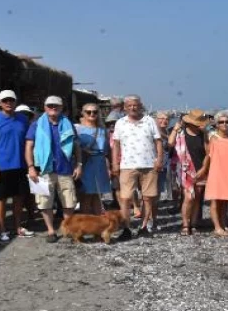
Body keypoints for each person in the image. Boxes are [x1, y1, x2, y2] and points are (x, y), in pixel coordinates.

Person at [25, 95, 83, 243]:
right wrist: (31, 167)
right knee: (44, 202)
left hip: (65, 168)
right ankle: (51, 231)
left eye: (56, 105)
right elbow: (29, 147)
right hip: (43, 169)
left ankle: (68, 229)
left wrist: (79, 164)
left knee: (69, 202)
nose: (53, 108)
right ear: (44, 107)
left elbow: (76, 145)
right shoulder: (37, 124)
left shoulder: (68, 124)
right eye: (50, 105)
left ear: (62, 107)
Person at [0, 90, 33, 241]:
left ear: (15, 102)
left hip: (20, 166)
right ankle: (2, 229)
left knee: (19, 198)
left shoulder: (23, 119)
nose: (8, 103)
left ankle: (18, 227)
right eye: (5, 100)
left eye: (11, 100)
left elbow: (28, 142)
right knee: (1, 200)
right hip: (2, 167)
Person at [112, 95, 163, 239]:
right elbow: (116, 144)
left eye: (135, 105)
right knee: (125, 197)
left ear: (140, 105)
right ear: (124, 107)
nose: (132, 108)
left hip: (149, 165)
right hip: (127, 166)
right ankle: (126, 227)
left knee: (148, 198)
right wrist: (114, 162)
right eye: (129, 105)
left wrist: (159, 159)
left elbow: (158, 141)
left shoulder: (149, 121)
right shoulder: (120, 123)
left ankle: (144, 226)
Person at [169, 109, 210, 235]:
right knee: (188, 198)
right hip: (184, 170)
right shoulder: (180, 133)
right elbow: (170, 144)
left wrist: (204, 168)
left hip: (200, 169)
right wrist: (175, 129)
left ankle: (193, 223)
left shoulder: (203, 134)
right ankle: (185, 224)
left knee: (197, 198)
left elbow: (208, 152)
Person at [75, 103, 112, 215]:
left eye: (95, 112)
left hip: (99, 164)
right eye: (88, 112)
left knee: (97, 195)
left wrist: (109, 167)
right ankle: (86, 223)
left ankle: (97, 225)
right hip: (85, 163)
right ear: (83, 113)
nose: (92, 114)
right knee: (86, 195)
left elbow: (106, 152)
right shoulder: (77, 129)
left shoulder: (102, 130)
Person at [208, 110, 228, 235]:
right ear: (216, 124)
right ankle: (217, 227)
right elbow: (209, 156)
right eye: (221, 122)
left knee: (225, 200)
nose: (224, 124)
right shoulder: (213, 138)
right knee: (216, 200)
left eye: (227, 122)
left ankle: (223, 224)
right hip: (216, 171)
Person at [155, 112, 175, 205]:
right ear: (156, 119)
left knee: (159, 188)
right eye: (161, 118)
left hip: (165, 163)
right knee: (152, 189)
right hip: (155, 164)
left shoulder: (166, 131)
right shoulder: (154, 131)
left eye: (167, 119)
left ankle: (154, 210)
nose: (164, 120)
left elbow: (169, 147)